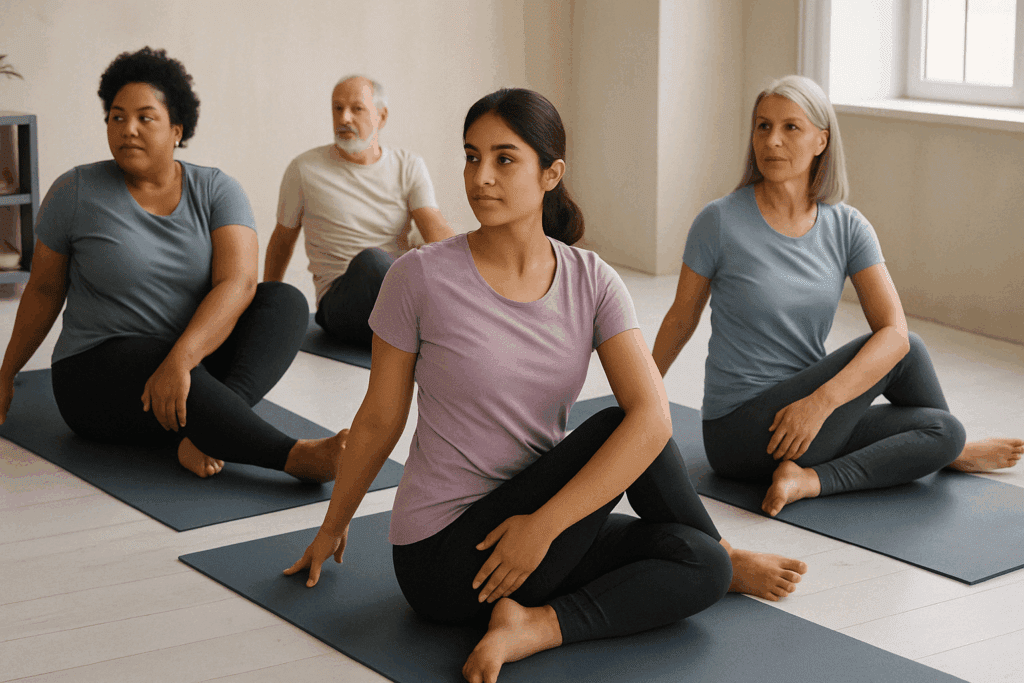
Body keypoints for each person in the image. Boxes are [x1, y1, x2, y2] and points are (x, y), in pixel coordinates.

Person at [284, 88, 809, 683]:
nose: (480, 176)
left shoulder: (592, 279)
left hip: (539, 532)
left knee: (700, 564)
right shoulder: (418, 277)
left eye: (504, 159)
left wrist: (543, 527)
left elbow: (655, 421)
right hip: (444, 562)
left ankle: (537, 626)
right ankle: (716, 555)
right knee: (622, 421)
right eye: (471, 156)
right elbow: (380, 418)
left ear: (550, 174)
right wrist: (332, 525)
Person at [653, 75, 1023, 519]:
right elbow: (680, 319)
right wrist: (637, 405)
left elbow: (893, 331)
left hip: (811, 423)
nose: (772, 141)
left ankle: (811, 480)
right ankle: (948, 454)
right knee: (909, 350)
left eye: (791, 127)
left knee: (942, 428)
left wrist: (819, 402)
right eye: (762, 126)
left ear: (821, 141)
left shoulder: (847, 227)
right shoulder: (719, 222)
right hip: (741, 433)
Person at [0, 47, 343, 481]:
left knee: (284, 302)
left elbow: (238, 282)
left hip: (188, 367)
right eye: (117, 117)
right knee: (144, 352)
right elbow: (45, 291)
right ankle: (294, 457)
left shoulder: (217, 190)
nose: (128, 130)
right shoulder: (75, 191)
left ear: (177, 129)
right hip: (98, 377)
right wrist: (6, 372)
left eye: (145, 118)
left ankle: (206, 432)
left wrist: (181, 360)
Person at [263, 75, 455, 347]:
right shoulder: (304, 169)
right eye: (337, 108)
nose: (344, 118)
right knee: (373, 263)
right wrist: (267, 306)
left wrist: (471, 278)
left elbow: (434, 227)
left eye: (357, 109)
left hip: (399, 291)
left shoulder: (408, 165)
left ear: (382, 116)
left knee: (427, 259)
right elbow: (282, 240)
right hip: (342, 301)